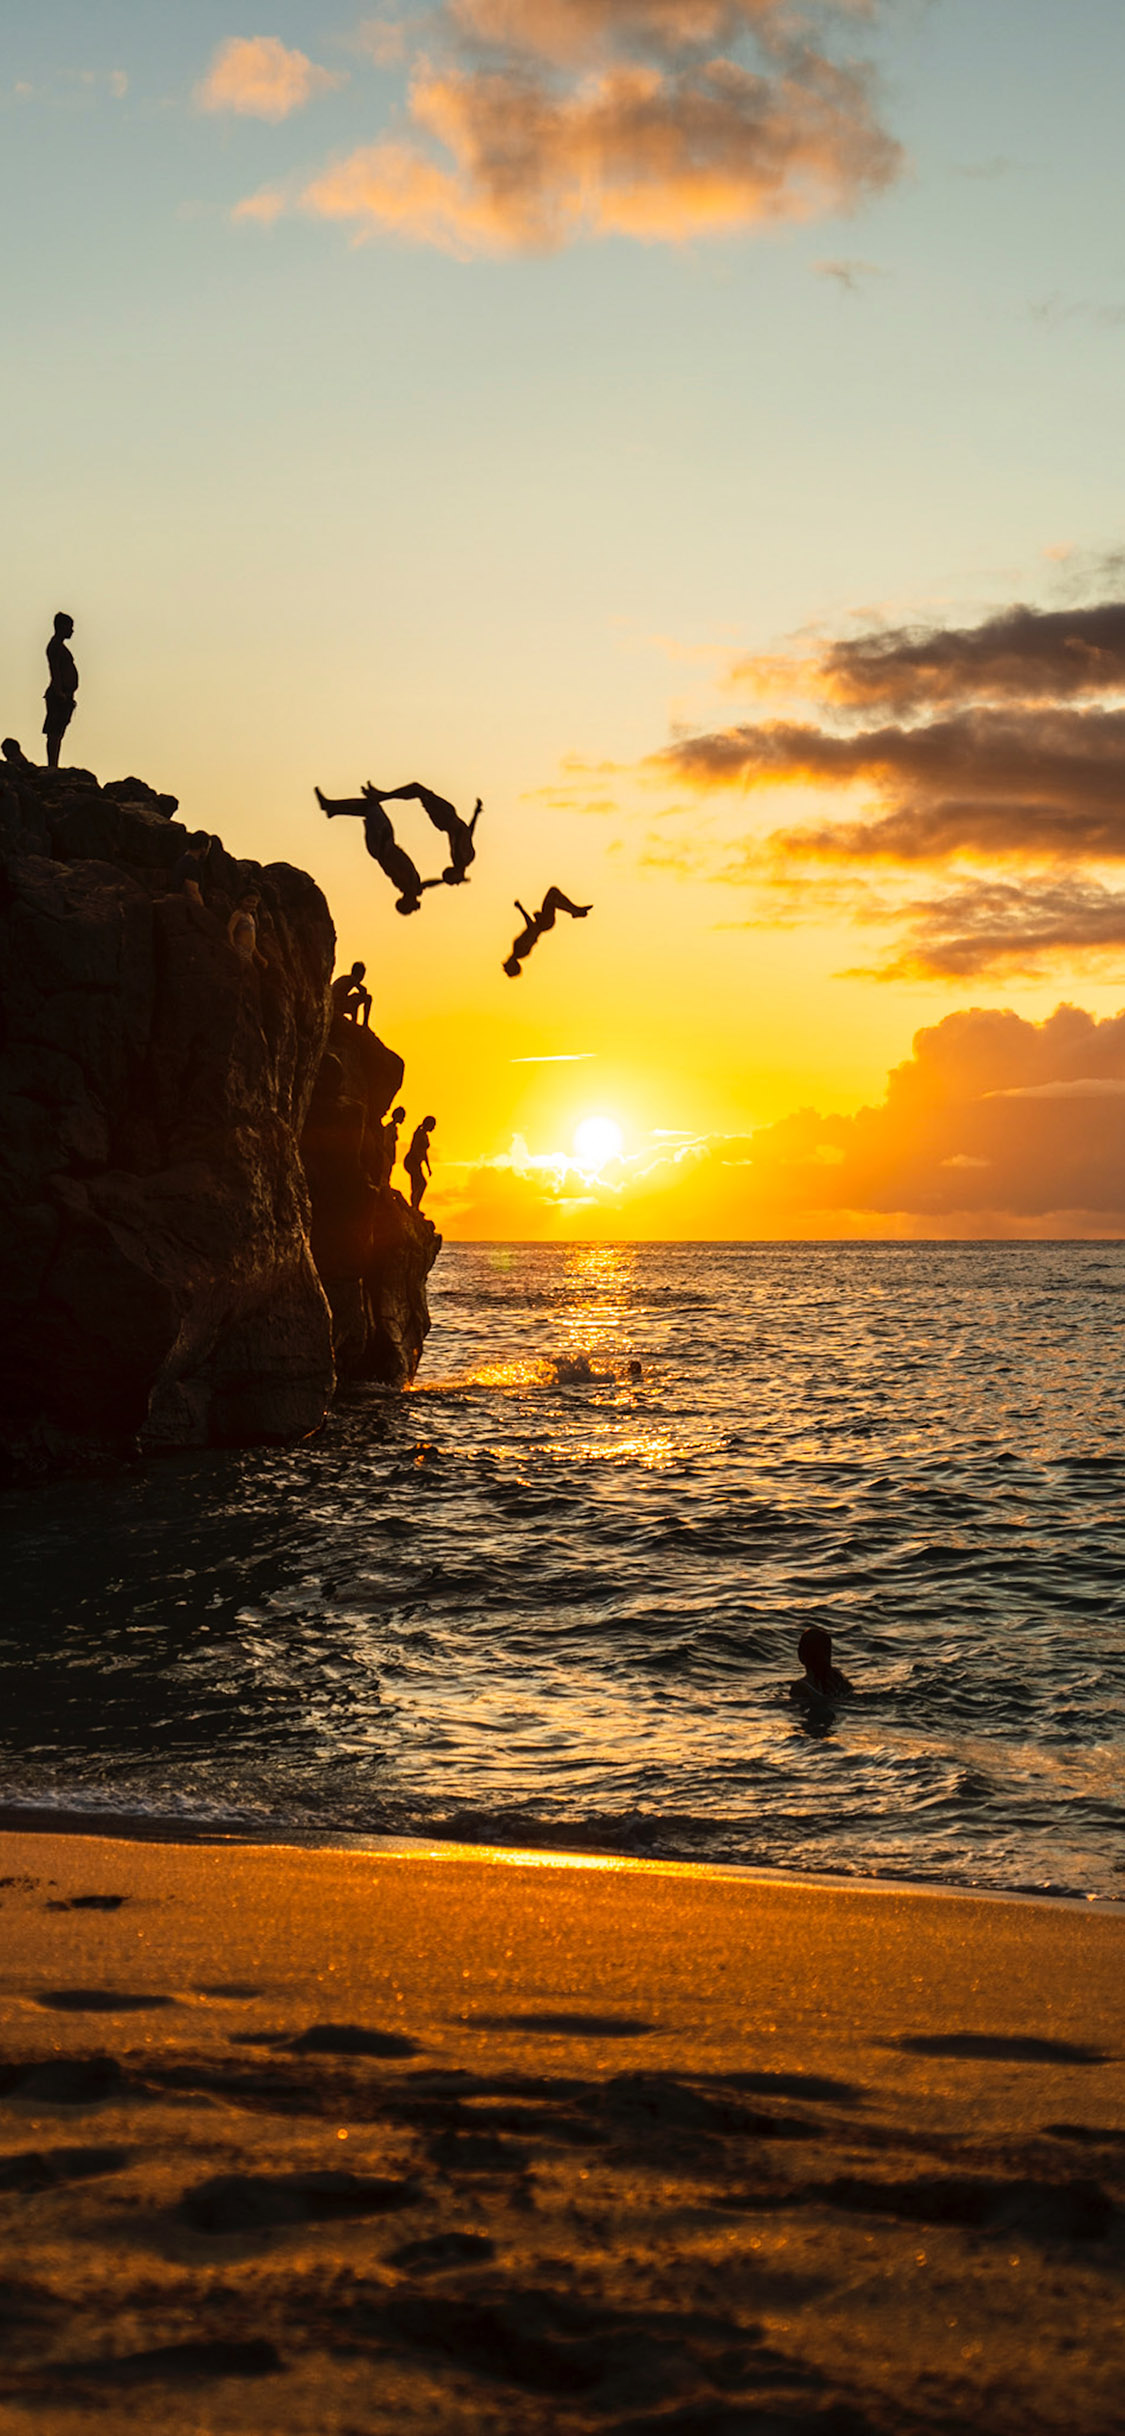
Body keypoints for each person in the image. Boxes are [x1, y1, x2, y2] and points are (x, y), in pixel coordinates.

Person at [315, 785, 436, 915]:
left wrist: (383, 842)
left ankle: (330, 806)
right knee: (368, 808)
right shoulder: (415, 888)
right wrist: (444, 881)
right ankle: (333, 809)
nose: (414, 907)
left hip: (382, 845)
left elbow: (388, 865)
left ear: (405, 902)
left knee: (371, 805)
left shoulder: (403, 884)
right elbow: (428, 884)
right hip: (385, 843)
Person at [364, 780, 483, 886]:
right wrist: (476, 813)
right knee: (419, 790)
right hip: (447, 817)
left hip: (445, 819)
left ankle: (381, 796)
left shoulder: (460, 859)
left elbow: (465, 833)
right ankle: (381, 796)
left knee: (418, 790)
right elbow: (467, 833)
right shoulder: (463, 858)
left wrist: (475, 814)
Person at [503, 887, 592, 977]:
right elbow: (532, 929)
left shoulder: (518, 951)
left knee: (553, 894)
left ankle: (575, 911)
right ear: (513, 966)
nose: (505, 962)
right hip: (544, 922)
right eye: (507, 966)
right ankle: (575, 911)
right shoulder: (519, 950)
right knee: (552, 896)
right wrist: (521, 909)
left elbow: (532, 931)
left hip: (544, 923)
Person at [790, 1626, 852, 1730]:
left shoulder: (801, 1687)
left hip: (814, 1717)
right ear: (829, 1654)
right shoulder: (837, 1676)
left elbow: (795, 1710)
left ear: (800, 1655)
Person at [43, 612, 78, 769]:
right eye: (70, 627)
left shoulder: (60, 647)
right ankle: (52, 765)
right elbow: (55, 669)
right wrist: (59, 692)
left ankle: (54, 764)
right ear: (62, 627)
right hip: (59, 694)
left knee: (59, 731)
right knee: (54, 732)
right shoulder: (55, 646)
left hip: (65, 694)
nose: (72, 631)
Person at [227, 890, 267, 967]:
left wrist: (260, 958)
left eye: (254, 902)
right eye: (248, 901)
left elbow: (252, 942)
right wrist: (232, 946)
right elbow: (229, 930)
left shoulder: (251, 918)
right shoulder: (238, 914)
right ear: (241, 901)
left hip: (248, 956)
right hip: (239, 952)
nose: (251, 904)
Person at [403, 1115, 435, 1210]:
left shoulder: (425, 1136)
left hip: (417, 1163)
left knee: (419, 1184)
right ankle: (414, 1206)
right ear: (428, 1124)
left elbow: (424, 1153)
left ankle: (416, 1206)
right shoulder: (418, 1133)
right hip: (411, 1161)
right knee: (420, 1183)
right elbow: (415, 1148)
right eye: (433, 1125)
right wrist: (417, 1161)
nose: (433, 1128)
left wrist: (428, 1167)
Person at [171, 833, 211, 906]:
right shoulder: (191, 864)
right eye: (208, 848)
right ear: (203, 848)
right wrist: (202, 909)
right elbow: (192, 892)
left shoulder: (181, 861)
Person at [332, 961, 372, 1026]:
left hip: (337, 1003)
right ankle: (365, 1023)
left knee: (354, 1000)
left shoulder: (346, 978)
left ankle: (354, 1023)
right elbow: (363, 990)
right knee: (367, 998)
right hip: (338, 1004)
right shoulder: (352, 979)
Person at [380, 1102, 406, 1187]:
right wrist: (389, 1155)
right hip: (387, 1154)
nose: (403, 1119)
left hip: (390, 1155)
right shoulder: (389, 1127)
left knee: (388, 1175)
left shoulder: (394, 1128)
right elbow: (386, 1142)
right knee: (385, 1176)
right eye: (402, 1117)